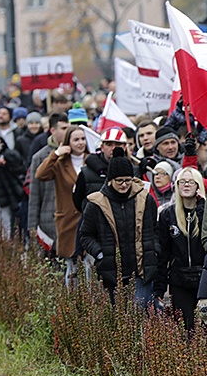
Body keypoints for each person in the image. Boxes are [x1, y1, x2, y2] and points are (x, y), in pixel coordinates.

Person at [79, 148, 159, 304]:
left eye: (128, 180)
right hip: (111, 271)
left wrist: (154, 250)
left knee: (139, 313)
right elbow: (86, 235)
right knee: (118, 318)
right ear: (110, 180)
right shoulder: (96, 203)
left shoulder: (144, 199)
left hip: (142, 269)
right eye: (119, 181)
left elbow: (154, 230)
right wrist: (100, 253)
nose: (124, 185)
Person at [35, 125, 88, 284]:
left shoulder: (91, 160)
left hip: (89, 219)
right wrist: (56, 154)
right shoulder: (60, 162)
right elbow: (40, 174)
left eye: (83, 139)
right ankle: (71, 303)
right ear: (68, 142)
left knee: (89, 265)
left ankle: (90, 302)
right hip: (68, 221)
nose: (80, 143)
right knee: (71, 267)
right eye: (76, 139)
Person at [155, 167, 206, 331]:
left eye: (191, 181)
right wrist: (160, 288)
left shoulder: (206, 213)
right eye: (182, 181)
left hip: (204, 279)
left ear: (198, 185)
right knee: (185, 329)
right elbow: (163, 254)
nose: (186, 185)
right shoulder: (167, 214)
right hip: (179, 280)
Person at [26, 113, 69, 253]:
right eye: (63, 128)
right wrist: (32, 228)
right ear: (52, 130)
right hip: (48, 221)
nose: (66, 132)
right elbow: (34, 196)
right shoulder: (40, 157)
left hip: (70, 221)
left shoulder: (75, 153)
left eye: (68, 128)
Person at [73, 127, 130, 212]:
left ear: (125, 147)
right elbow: (78, 201)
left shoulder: (134, 170)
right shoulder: (86, 173)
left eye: (118, 144)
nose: (113, 148)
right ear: (102, 147)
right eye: (109, 144)